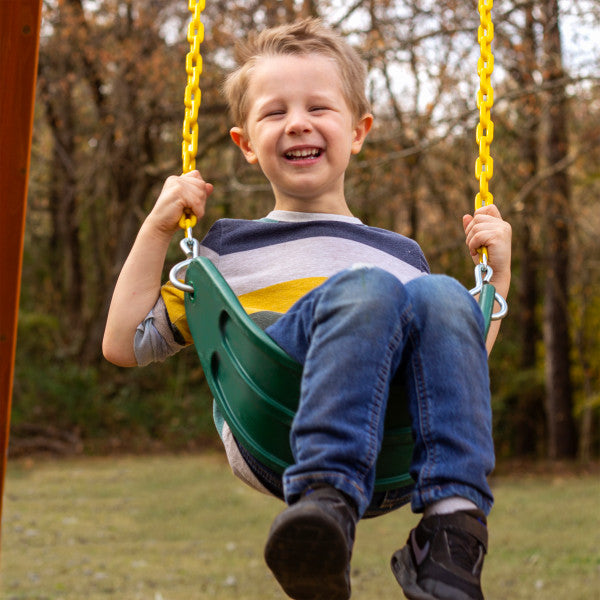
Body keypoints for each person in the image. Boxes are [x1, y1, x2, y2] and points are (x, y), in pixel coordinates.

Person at [103, 18, 511, 600]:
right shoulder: (226, 251)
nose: (298, 122)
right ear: (245, 144)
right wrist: (158, 225)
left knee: (442, 294)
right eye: (275, 113)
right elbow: (124, 343)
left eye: (319, 107)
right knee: (365, 289)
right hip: (278, 434)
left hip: (387, 454)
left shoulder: (402, 256)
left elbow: (454, 371)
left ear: (359, 130)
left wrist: (499, 278)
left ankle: (451, 532)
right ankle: (324, 501)